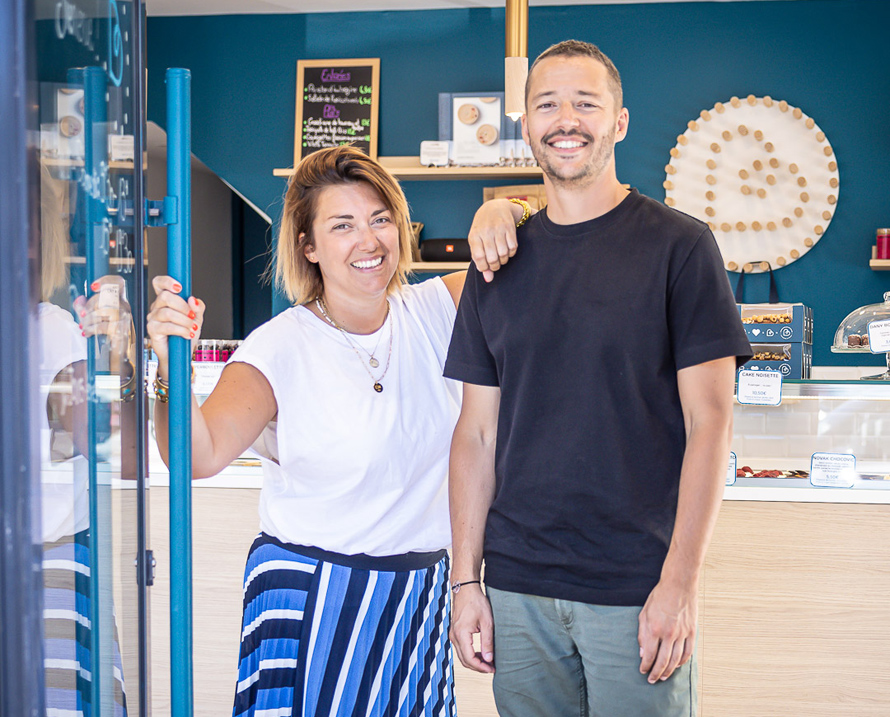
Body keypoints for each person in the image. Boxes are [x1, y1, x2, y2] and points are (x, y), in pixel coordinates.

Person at [147, 144, 518, 717]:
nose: (368, 242)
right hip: (310, 597)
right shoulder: (279, 344)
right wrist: (168, 365)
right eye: (342, 225)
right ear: (310, 246)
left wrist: (506, 210)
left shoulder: (438, 308)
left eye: (380, 219)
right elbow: (198, 454)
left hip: (417, 597)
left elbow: (541, 250)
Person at [445, 40, 752, 716]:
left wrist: (680, 581)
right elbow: (475, 434)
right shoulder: (496, 260)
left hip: (636, 588)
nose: (566, 120)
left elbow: (711, 425)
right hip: (518, 590)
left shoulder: (681, 247)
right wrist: (466, 581)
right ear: (525, 124)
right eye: (547, 103)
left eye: (587, 103)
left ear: (619, 121)